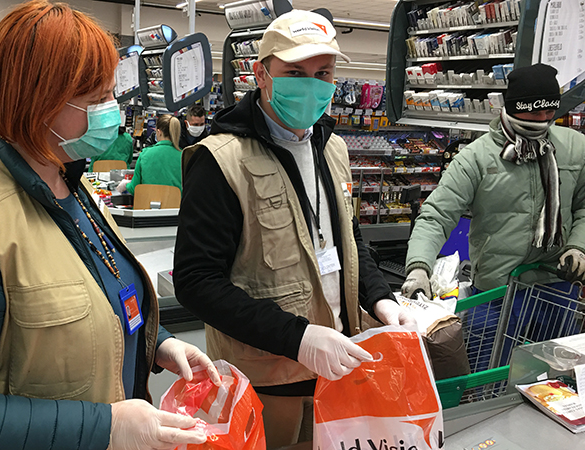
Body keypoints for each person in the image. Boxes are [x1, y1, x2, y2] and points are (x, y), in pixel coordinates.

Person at [0, 2, 220, 450]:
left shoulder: (59, 173)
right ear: (37, 99)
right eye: (94, 97)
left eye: (109, 93)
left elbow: (94, 291)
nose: (109, 111)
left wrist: (157, 343)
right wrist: (106, 427)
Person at [172, 10, 415, 448]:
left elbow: (348, 240)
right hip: (264, 379)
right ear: (261, 74)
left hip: (338, 368)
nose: (312, 83)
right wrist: (297, 337)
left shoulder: (334, 147)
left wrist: (380, 298)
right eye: (295, 72)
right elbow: (196, 282)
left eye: (322, 72)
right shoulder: (220, 159)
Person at [403, 63, 585, 369]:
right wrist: (418, 267)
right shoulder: (476, 157)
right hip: (495, 292)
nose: (541, 120)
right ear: (512, 107)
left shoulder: (575, 148)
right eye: (532, 113)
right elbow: (436, 215)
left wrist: (578, 245)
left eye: (548, 113)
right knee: (484, 377)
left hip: (556, 286)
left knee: (554, 379)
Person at [117, 114, 182, 194]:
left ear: (159, 132)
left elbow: (134, 188)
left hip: (147, 205)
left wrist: (126, 185)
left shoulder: (145, 154)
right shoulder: (183, 156)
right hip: (175, 205)